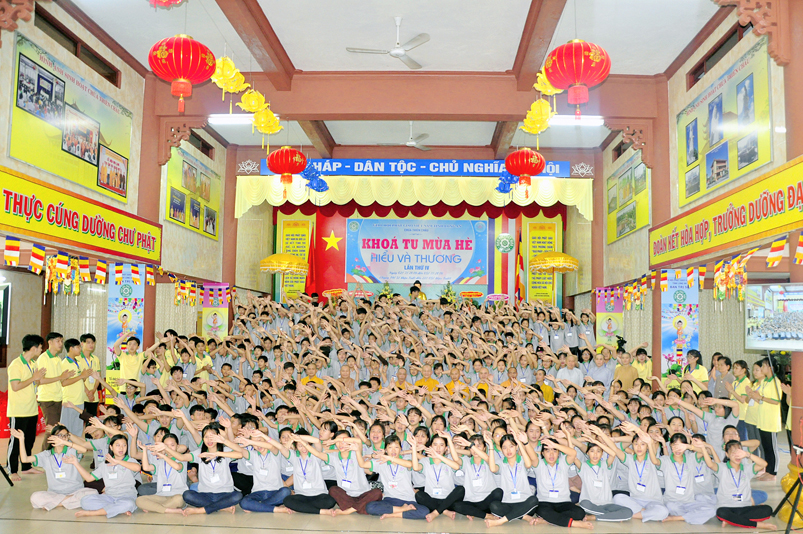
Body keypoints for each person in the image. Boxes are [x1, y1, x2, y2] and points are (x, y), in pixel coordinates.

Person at [12, 425, 97, 510]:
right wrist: (21, 439)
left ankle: (57, 503)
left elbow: (84, 450)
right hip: (55, 493)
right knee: (35, 497)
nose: (62, 438)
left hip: (76, 491)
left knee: (93, 493)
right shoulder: (46, 454)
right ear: (52, 437)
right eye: (60, 435)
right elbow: (25, 459)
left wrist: (65, 442)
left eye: (65, 436)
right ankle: (69, 500)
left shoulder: (71, 450)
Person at [70, 434, 140, 518]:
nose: (121, 448)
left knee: (129, 504)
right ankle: (117, 509)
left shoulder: (130, 461)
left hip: (127, 496)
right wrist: (76, 463)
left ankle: (94, 513)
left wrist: (118, 462)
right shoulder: (104, 464)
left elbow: (137, 468)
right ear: (111, 447)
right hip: (109, 496)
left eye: (124, 445)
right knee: (84, 501)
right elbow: (89, 478)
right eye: (118, 445)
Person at [7, 334, 46, 481]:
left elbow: (35, 383)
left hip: (32, 409)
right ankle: (12, 470)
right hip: (19, 410)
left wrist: (37, 379)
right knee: (16, 441)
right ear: (34, 348)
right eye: (40, 347)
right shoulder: (16, 365)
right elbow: (15, 386)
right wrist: (34, 378)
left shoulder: (33, 364)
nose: (41, 350)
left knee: (29, 440)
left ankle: (27, 466)